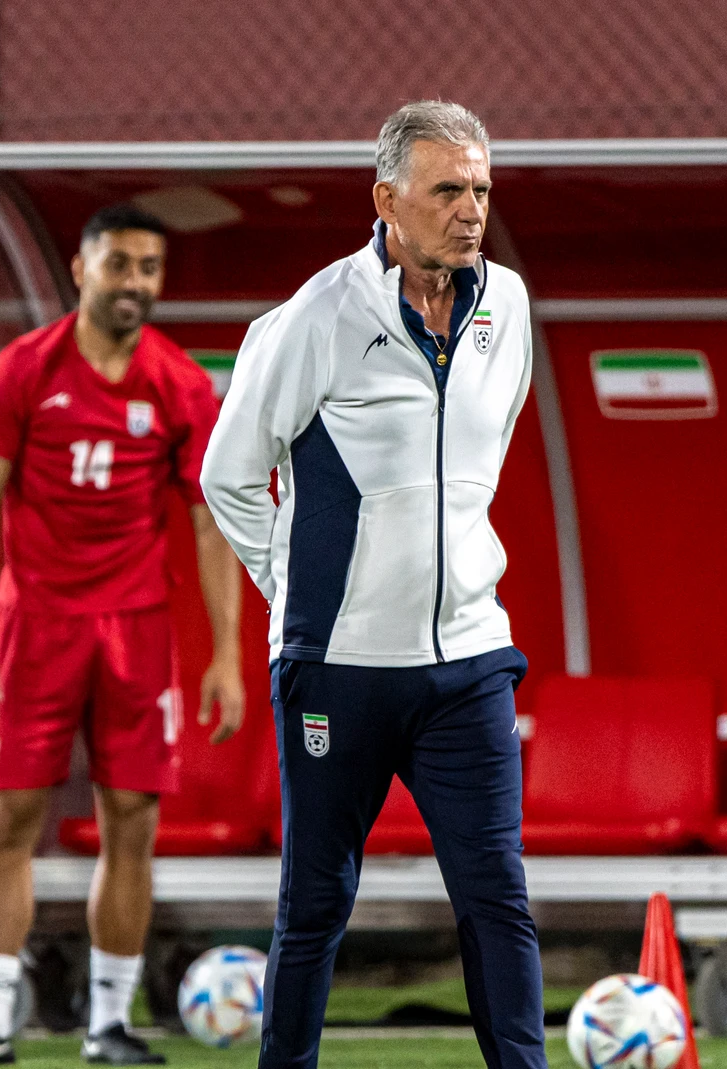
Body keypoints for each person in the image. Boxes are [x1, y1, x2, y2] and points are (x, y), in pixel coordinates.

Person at [200, 101, 544, 1069]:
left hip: (469, 660)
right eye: (447, 190)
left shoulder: (508, 305)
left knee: (496, 894)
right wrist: (299, 585)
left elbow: (479, 456)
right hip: (337, 668)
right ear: (386, 200)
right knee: (316, 900)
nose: (470, 209)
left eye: (480, 189)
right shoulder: (314, 316)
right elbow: (226, 472)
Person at [0, 203, 243, 1065]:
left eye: (150, 267)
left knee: (133, 820)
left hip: (136, 627)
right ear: (81, 269)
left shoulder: (180, 382)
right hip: (31, 620)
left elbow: (210, 520)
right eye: (120, 264)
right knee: (10, 816)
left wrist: (224, 649)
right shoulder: (24, 370)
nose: (136, 283)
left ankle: (109, 1023)